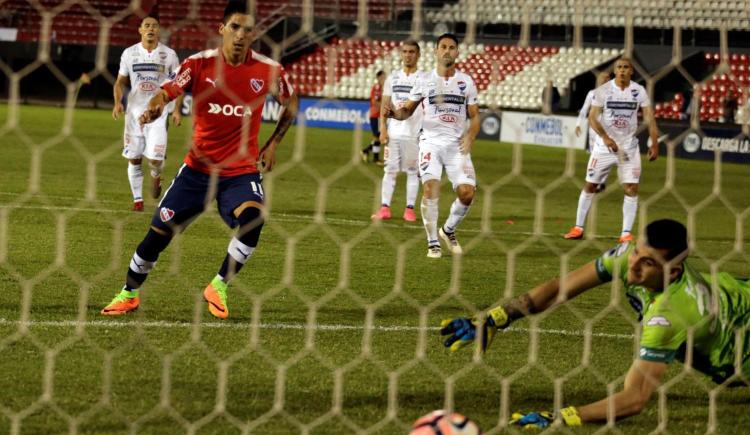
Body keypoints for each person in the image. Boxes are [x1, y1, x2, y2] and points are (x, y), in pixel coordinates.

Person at [440, 219, 750, 427]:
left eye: (648, 263)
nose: (635, 265)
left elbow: (634, 399)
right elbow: (561, 287)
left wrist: (561, 417)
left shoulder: (671, 315)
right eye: (637, 253)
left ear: (672, 272)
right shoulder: (627, 254)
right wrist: (499, 316)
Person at [101, 0, 299, 319]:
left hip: (240, 172)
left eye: (247, 30)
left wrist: (273, 142)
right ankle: (129, 292)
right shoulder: (198, 64)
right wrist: (154, 107)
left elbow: (290, 102)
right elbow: (166, 92)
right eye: (234, 27)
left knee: (254, 219)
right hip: (197, 171)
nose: (240, 35)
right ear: (221, 29)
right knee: (157, 236)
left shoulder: (269, 69)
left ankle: (218, 285)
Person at [384, 33, 480, 258]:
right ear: (436, 51)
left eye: (452, 47)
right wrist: (396, 114)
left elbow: (475, 117)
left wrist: (471, 136)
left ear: (457, 52)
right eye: (443, 47)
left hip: (456, 146)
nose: (447, 51)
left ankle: (448, 230)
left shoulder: (466, 81)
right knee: (430, 188)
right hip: (430, 143)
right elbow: (407, 109)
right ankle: (433, 242)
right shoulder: (424, 80)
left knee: (467, 194)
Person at [564, 57, 659, 243]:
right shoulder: (603, 91)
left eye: (626, 67)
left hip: (629, 148)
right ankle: (578, 227)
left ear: (631, 71)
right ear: (615, 71)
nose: (622, 70)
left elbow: (650, 118)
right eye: (619, 67)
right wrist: (605, 138)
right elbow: (592, 118)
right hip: (603, 148)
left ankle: (625, 233)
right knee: (591, 185)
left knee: (631, 188)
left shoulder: (638, 91)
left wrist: (654, 143)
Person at [113, 14, 184, 212]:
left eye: (154, 26)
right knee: (134, 158)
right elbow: (120, 81)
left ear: (159, 30)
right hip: (134, 113)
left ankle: (155, 175)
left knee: (155, 159)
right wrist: (117, 102)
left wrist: (177, 110)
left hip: (159, 114)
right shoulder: (129, 53)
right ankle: (138, 201)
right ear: (140, 30)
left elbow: (179, 84)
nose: (151, 29)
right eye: (147, 26)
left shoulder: (169, 55)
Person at [371, 40, 424, 222]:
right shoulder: (392, 78)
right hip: (394, 134)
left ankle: (409, 209)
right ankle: (385, 207)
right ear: (401, 54)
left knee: (412, 172)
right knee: (390, 170)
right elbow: (385, 105)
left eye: (411, 52)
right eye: (405, 51)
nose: (408, 55)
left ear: (418, 55)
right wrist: (383, 129)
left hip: (414, 134)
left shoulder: (423, 79)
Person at [361, 70, 386, 164]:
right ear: (379, 78)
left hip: (380, 115)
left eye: (385, 77)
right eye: (383, 77)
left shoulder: (384, 88)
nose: (384, 79)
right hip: (375, 115)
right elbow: (374, 102)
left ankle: (366, 151)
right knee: (378, 136)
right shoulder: (377, 88)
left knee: (379, 136)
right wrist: (384, 107)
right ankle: (375, 159)